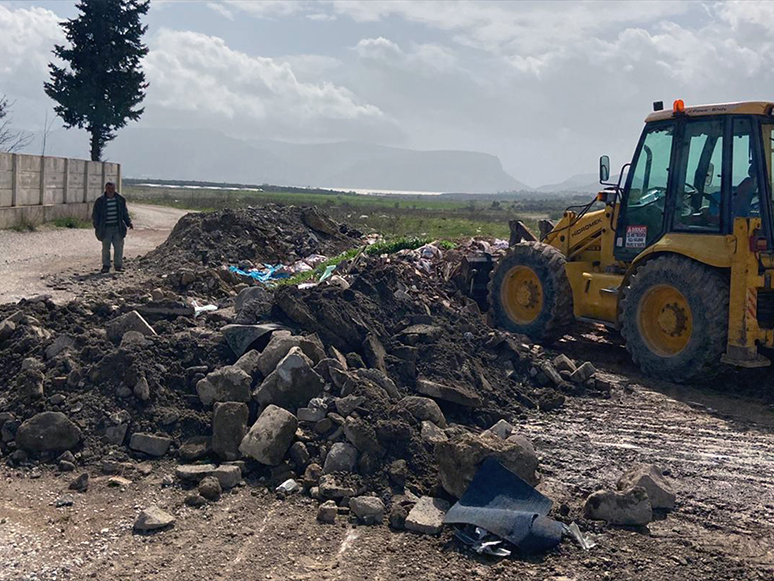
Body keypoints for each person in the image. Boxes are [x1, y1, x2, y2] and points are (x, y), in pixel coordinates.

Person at [92, 181, 133, 273]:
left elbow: (124, 213)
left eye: (112, 188)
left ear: (115, 189)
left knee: (119, 247)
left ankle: (118, 266)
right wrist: (96, 225)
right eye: (108, 188)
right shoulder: (100, 201)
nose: (110, 190)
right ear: (105, 189)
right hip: (105, 228)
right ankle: (106, 265)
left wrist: (128, 222)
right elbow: (95, 214)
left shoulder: (120, 199)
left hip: (117, 228)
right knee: (106, 248)